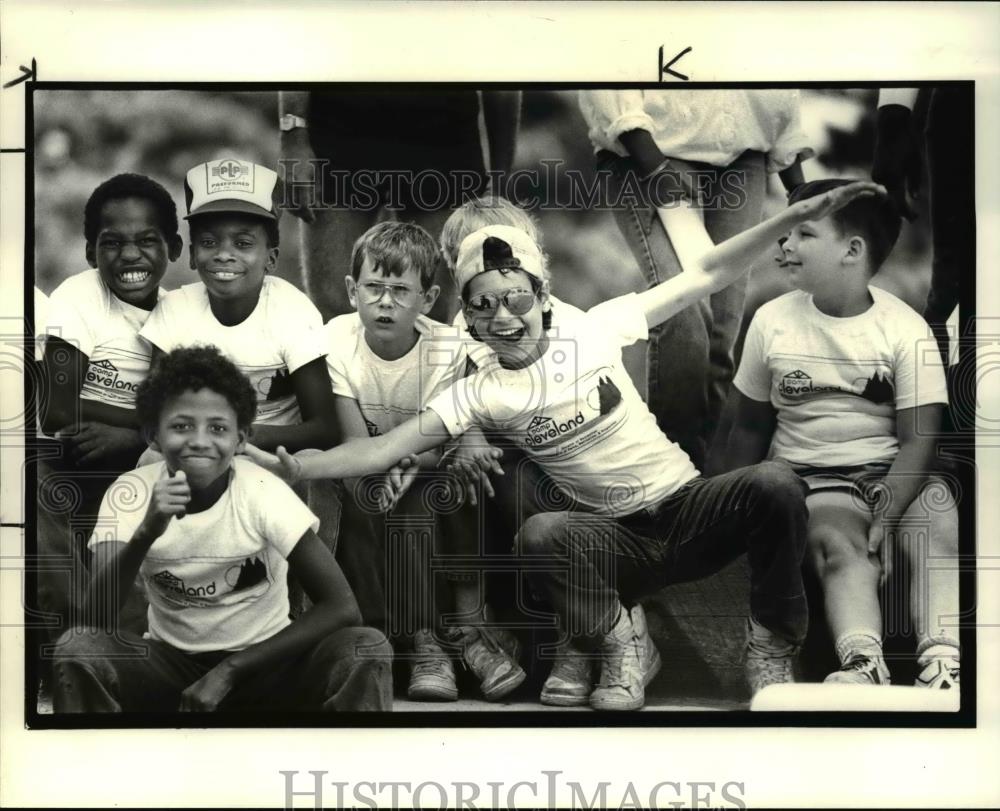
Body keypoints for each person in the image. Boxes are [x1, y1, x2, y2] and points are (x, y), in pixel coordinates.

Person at [247, 179, 882, 710]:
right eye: (484, 306)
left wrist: (788, 220)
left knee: (776, 485)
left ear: (542, 295)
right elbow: (376, 452)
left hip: (684, 508)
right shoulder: (483, 389)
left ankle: (771, 642)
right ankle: (617, 638)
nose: (504, 318)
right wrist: (291, 461)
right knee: (540, 531)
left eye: (515, 299)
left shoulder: (597, 327)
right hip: (610, 540)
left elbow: (707, 274)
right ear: (466, 317)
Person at [51, 346, 391, 713]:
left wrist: (231, 670)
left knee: (365, 646)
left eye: (218, 428)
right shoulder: (129, 493)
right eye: (181, 426)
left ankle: (341, 761)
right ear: (153, 435)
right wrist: (147, 532)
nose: (200, 440)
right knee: (78, 648)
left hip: (266, 667)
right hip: (172, 668)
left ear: (241, 439)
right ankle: (97, 766)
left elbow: (342, 608)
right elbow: (95, 617)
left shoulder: (262, 490)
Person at [725, 179, 959, 689]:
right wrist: (725, 502)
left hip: (896, 470)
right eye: (784, 232)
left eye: (802, 233)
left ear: (852, 251)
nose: (783, 243)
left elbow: (920, 435)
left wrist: (892, 507)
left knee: (938, 516)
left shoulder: (902, 327)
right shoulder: (771, 321)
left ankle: (943, 660)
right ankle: (863, 661)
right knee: (836, 541)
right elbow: (749, 424)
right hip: (814, 477)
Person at [325, 220, 523, 701]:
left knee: (456, 478)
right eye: (373, 288)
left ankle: (459, 631)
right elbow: (355, 445)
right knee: (371, 497)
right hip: (364, 469)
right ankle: (417, 640)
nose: (385, 302)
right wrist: (385, 467)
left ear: (428, 299)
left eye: (399, 290)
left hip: (425, 467)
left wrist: (409, 464)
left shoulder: (446, 349)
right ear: (353, 291)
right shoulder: (335, 341)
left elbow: (448, 436)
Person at [578, 89, 813, 472]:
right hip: (654, 149)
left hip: (742, 157)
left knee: (721, 337)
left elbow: (777, 91)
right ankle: (668, 475)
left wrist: (799, 190)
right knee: (685, 314)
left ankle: (706, 480)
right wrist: (652, 165)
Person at [138, 159, 340, 597]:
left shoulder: (291, 312)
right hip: (201, 445)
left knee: (313, 474)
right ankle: (168, 594)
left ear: (270, 256)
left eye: (243, 242)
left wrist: (239, 442)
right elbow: (154, 411)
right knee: (147, 469)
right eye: (209, 242)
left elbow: (325, 426)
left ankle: (305, 607)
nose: (224, 254)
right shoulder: (175, 311)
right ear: (192, 254)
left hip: (273, 448)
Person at [39, 173, 183, 638]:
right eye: (112, 243)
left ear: (174, 248)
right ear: (89, 253)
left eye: (147, 240)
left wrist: (133, 436)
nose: (129, 256)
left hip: (135, 461)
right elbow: (58, 411)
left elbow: (178, 421)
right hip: (69, 458)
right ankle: (80, 635)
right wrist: (146, 426)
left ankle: (128, 636)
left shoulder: (179, 313)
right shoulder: (79, 296)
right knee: (34, 483)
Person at [278, 90, 521, 324]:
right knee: (334, 307)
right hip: (342, 119)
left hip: (443, 129)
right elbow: (303, 51)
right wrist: (292, 131)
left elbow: (502, 70)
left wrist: (501, 178)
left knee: (429, 310)